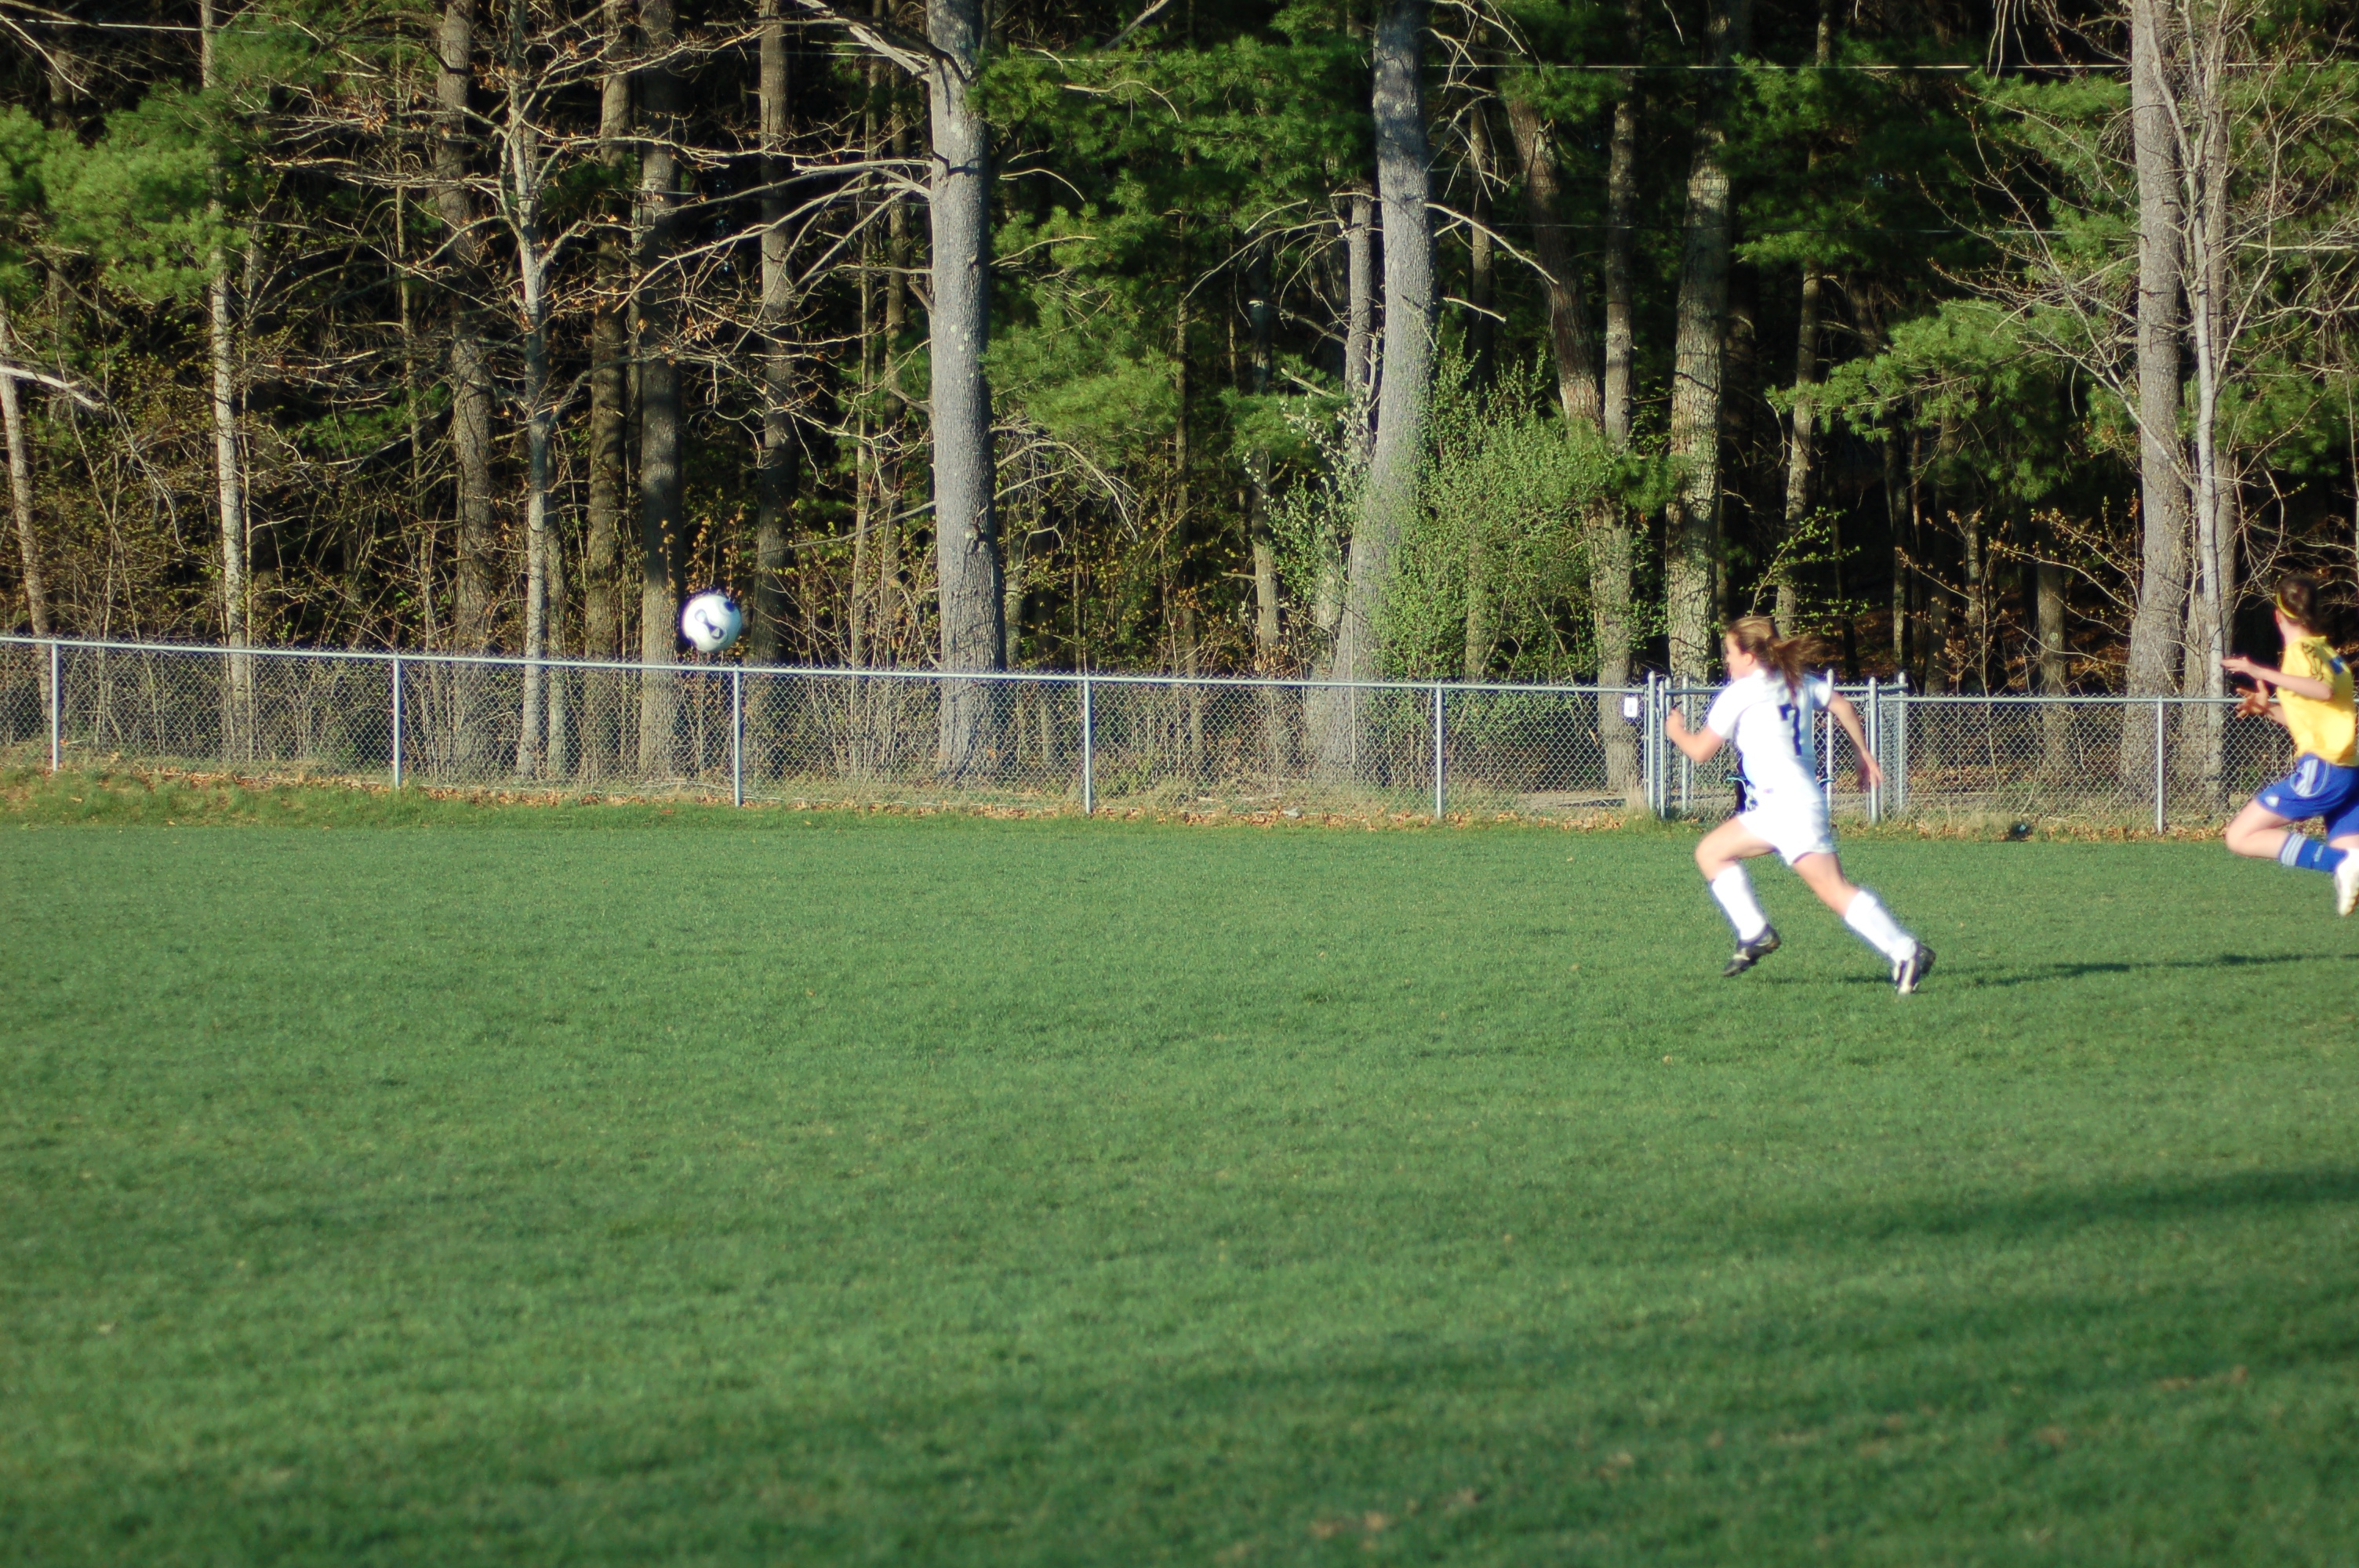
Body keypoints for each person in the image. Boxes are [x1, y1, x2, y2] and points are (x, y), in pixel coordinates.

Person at [1664, 616, 1935, 993]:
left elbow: (1699, 751)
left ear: (1748, 656)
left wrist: (1675, 730)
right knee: (1711, 852)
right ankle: (1754, 931)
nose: (1726, 660)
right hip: (1780, 806)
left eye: (1729, 652)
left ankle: (1905, 950)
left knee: (1835, 890)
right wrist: (1862, 753)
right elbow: (1842, 705)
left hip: (1790, 806)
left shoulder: (1742, 692)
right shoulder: (1796, 681)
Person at [2219, 574, 2359, 916]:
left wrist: (2258, 671)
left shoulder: (2300, 651)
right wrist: (2267, 708)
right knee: (2352, 854)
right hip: (2348, 770)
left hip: (2324, 769)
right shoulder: (2326, 651)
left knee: (2240, 836)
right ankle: (2347, 863)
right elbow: (2314, 718)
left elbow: (2322, 690)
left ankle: (2341, 864)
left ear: (2278, 615)